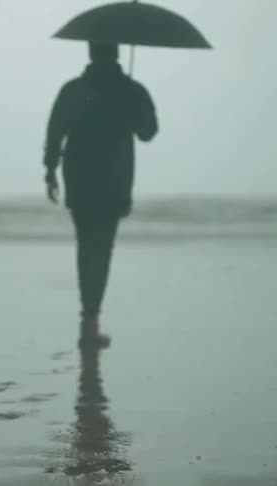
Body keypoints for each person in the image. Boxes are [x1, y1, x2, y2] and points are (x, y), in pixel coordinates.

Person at [42, 42, 158, 347]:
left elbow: (55, 131)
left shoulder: (73, 90)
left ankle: (88, 319)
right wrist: (136, 106)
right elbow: (148, 132)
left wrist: (50, 171)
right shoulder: (131, 91)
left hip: (79, 179)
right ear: (116, 54)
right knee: (103, 248)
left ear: (90, 54)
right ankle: (91, 321)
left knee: (86, 246)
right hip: (114, 180)